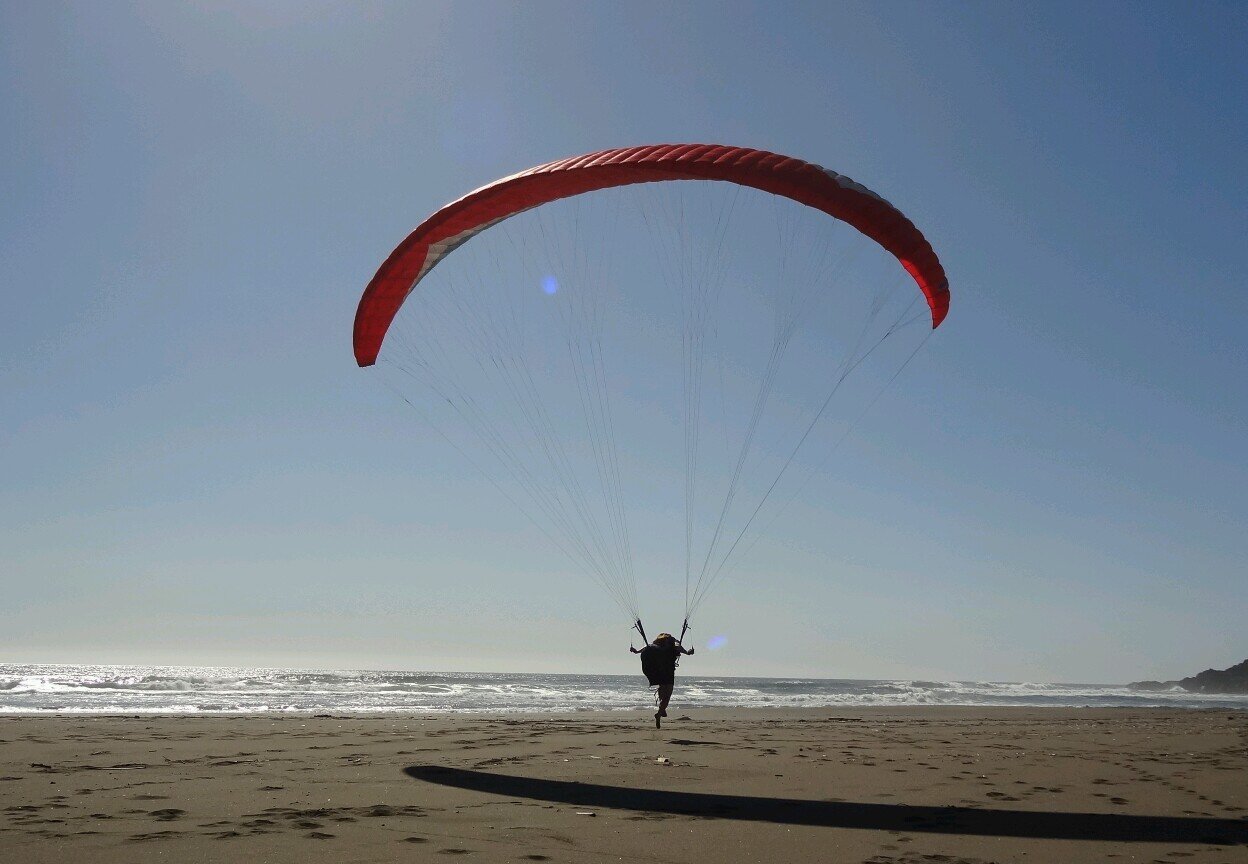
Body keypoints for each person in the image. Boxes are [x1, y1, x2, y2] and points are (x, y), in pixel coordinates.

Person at [631, 632, 694, 728]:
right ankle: (660, 712)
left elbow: (646, 647)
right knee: (667, 695)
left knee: (662, 690)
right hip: (668, 673)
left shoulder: (654, 646)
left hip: (659, 672)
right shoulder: (673, 645)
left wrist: (636, 651)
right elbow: (681, 649)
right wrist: (688, 652)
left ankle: (662, 709)